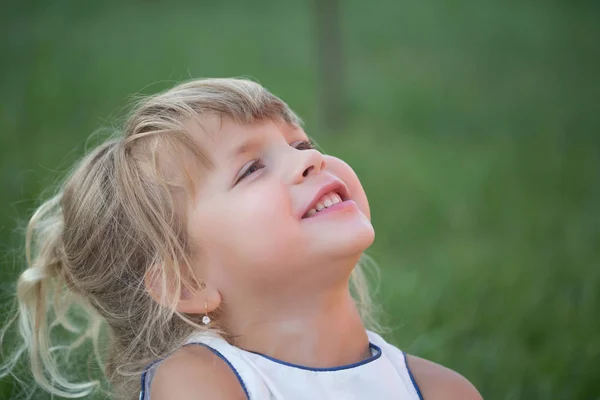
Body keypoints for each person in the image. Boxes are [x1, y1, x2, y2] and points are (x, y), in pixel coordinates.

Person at [1, 78, 482, 400]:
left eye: (301, 144)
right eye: (252, 168)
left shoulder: (441, 390)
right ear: (186, 283)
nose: (309, 160)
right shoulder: (200, 382)